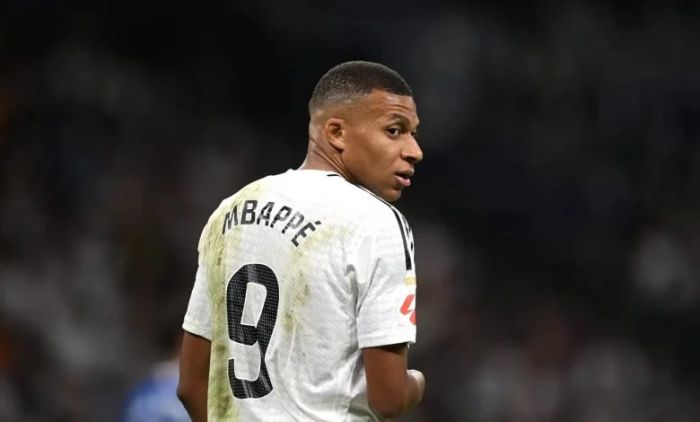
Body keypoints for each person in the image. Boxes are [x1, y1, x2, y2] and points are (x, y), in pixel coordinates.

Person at [177, 60, 425, 421]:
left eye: (413, 133)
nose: (414, 150)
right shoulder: (377, 222)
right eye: (394, 130)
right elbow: (389, 398)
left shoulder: (230, 210)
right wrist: (417, 382)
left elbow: (190, 385)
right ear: (336, 132)